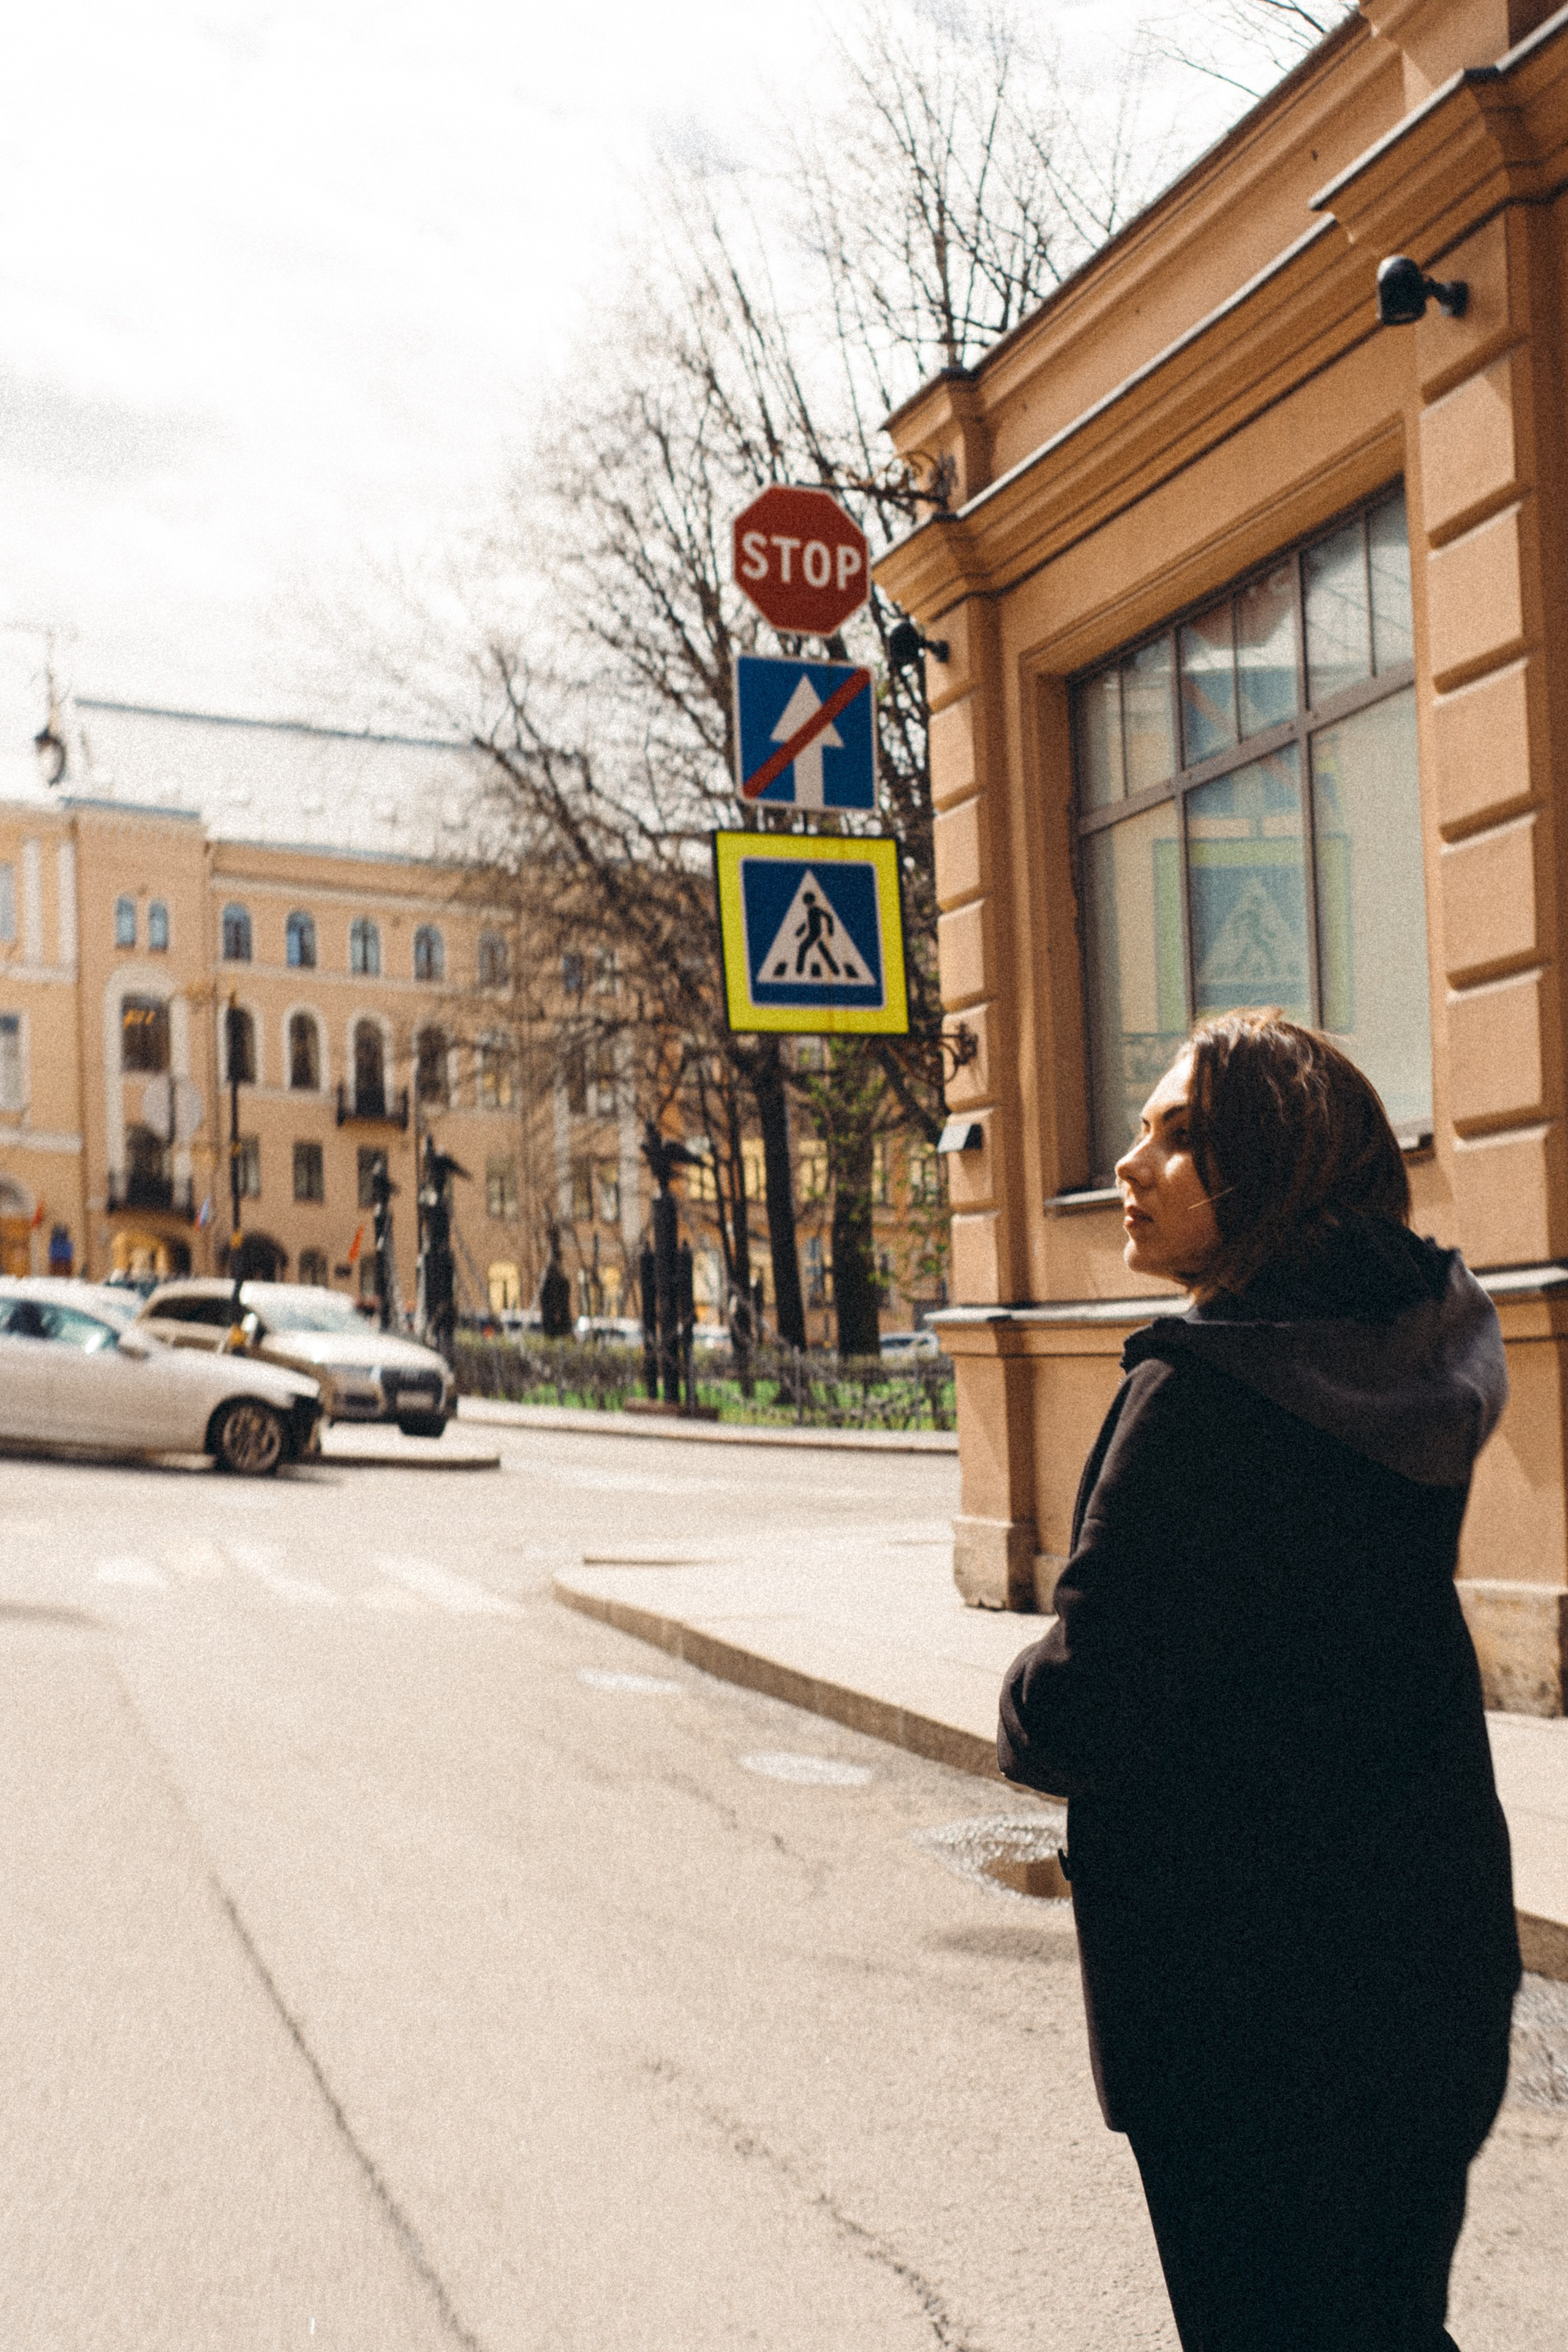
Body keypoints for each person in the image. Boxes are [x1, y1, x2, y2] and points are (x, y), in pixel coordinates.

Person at [998, 1010, 1520, 2352]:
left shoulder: (1200, 1393)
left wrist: (1014, 1696)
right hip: (1428, 1958)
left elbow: (1078, 1706)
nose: (1129, 1162)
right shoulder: (1417, 1360)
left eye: (1179, 1139)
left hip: (1240, 2008)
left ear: (1272, 1167)